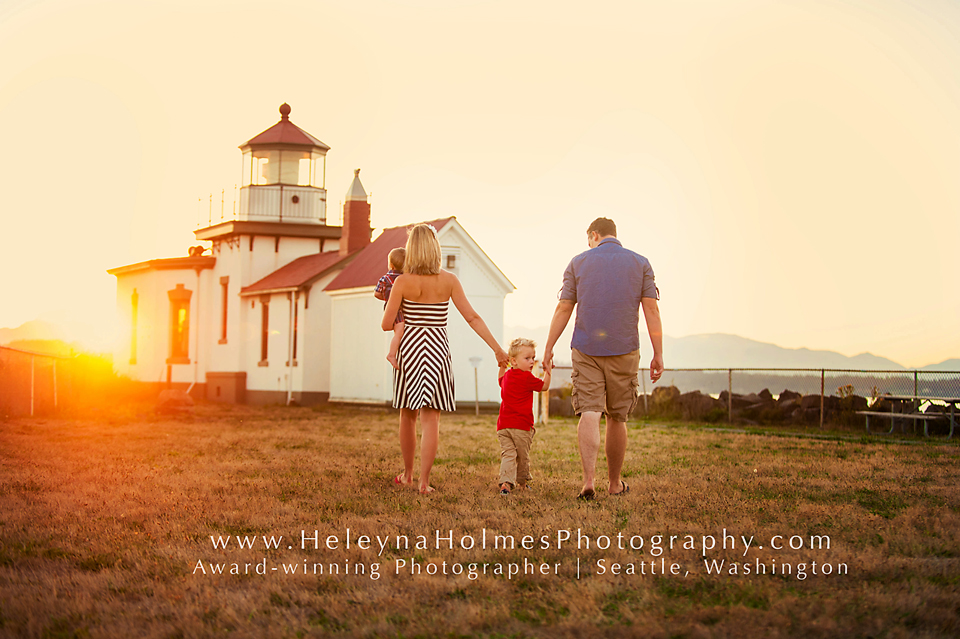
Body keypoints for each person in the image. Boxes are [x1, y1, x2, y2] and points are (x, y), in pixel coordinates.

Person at [542, 217, 663, 500]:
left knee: (589, 411)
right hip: (625, 349)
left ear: (594, 235)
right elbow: (651, 311)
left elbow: (563, 308)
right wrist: (658, 352)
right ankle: (614, 484)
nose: (589, 246)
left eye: (589, 240)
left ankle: (587, 482)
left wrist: (549, 347)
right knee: (617, 417)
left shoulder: (578, 262)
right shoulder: (641, 263)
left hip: (585, 350)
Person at [382, 223, 509, 494]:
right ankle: (424, 482)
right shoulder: (449, 280)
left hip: (411, 349)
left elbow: (387, 322)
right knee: (432, 419)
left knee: (407, 413)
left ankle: (407, 474)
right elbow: (472, 317)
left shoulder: (402, 282)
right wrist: (497, 349)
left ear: (411, 249)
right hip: (437, 349)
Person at [496, 338, 552, 495]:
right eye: (527, 358)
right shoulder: (527, 378)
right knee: (522, 456)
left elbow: (500, 380)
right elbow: (544, 386)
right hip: (521, 426)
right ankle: (521, 483)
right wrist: (548, 371)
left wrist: (502, 366)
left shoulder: (507, 376)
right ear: (514, 361)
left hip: (503, 426)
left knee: (508, 454)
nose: (532, 362)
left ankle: (505, 483)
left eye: (533, 358)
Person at [374, 247, 406, 370]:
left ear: (391, 265)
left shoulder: (384, 279)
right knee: (399, 332)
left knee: (397, 332)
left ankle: (395, 351)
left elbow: (377, 294)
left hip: (390, 308)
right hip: (398, 309)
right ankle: (391, 354)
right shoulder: (404, 278)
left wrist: (387, 299)